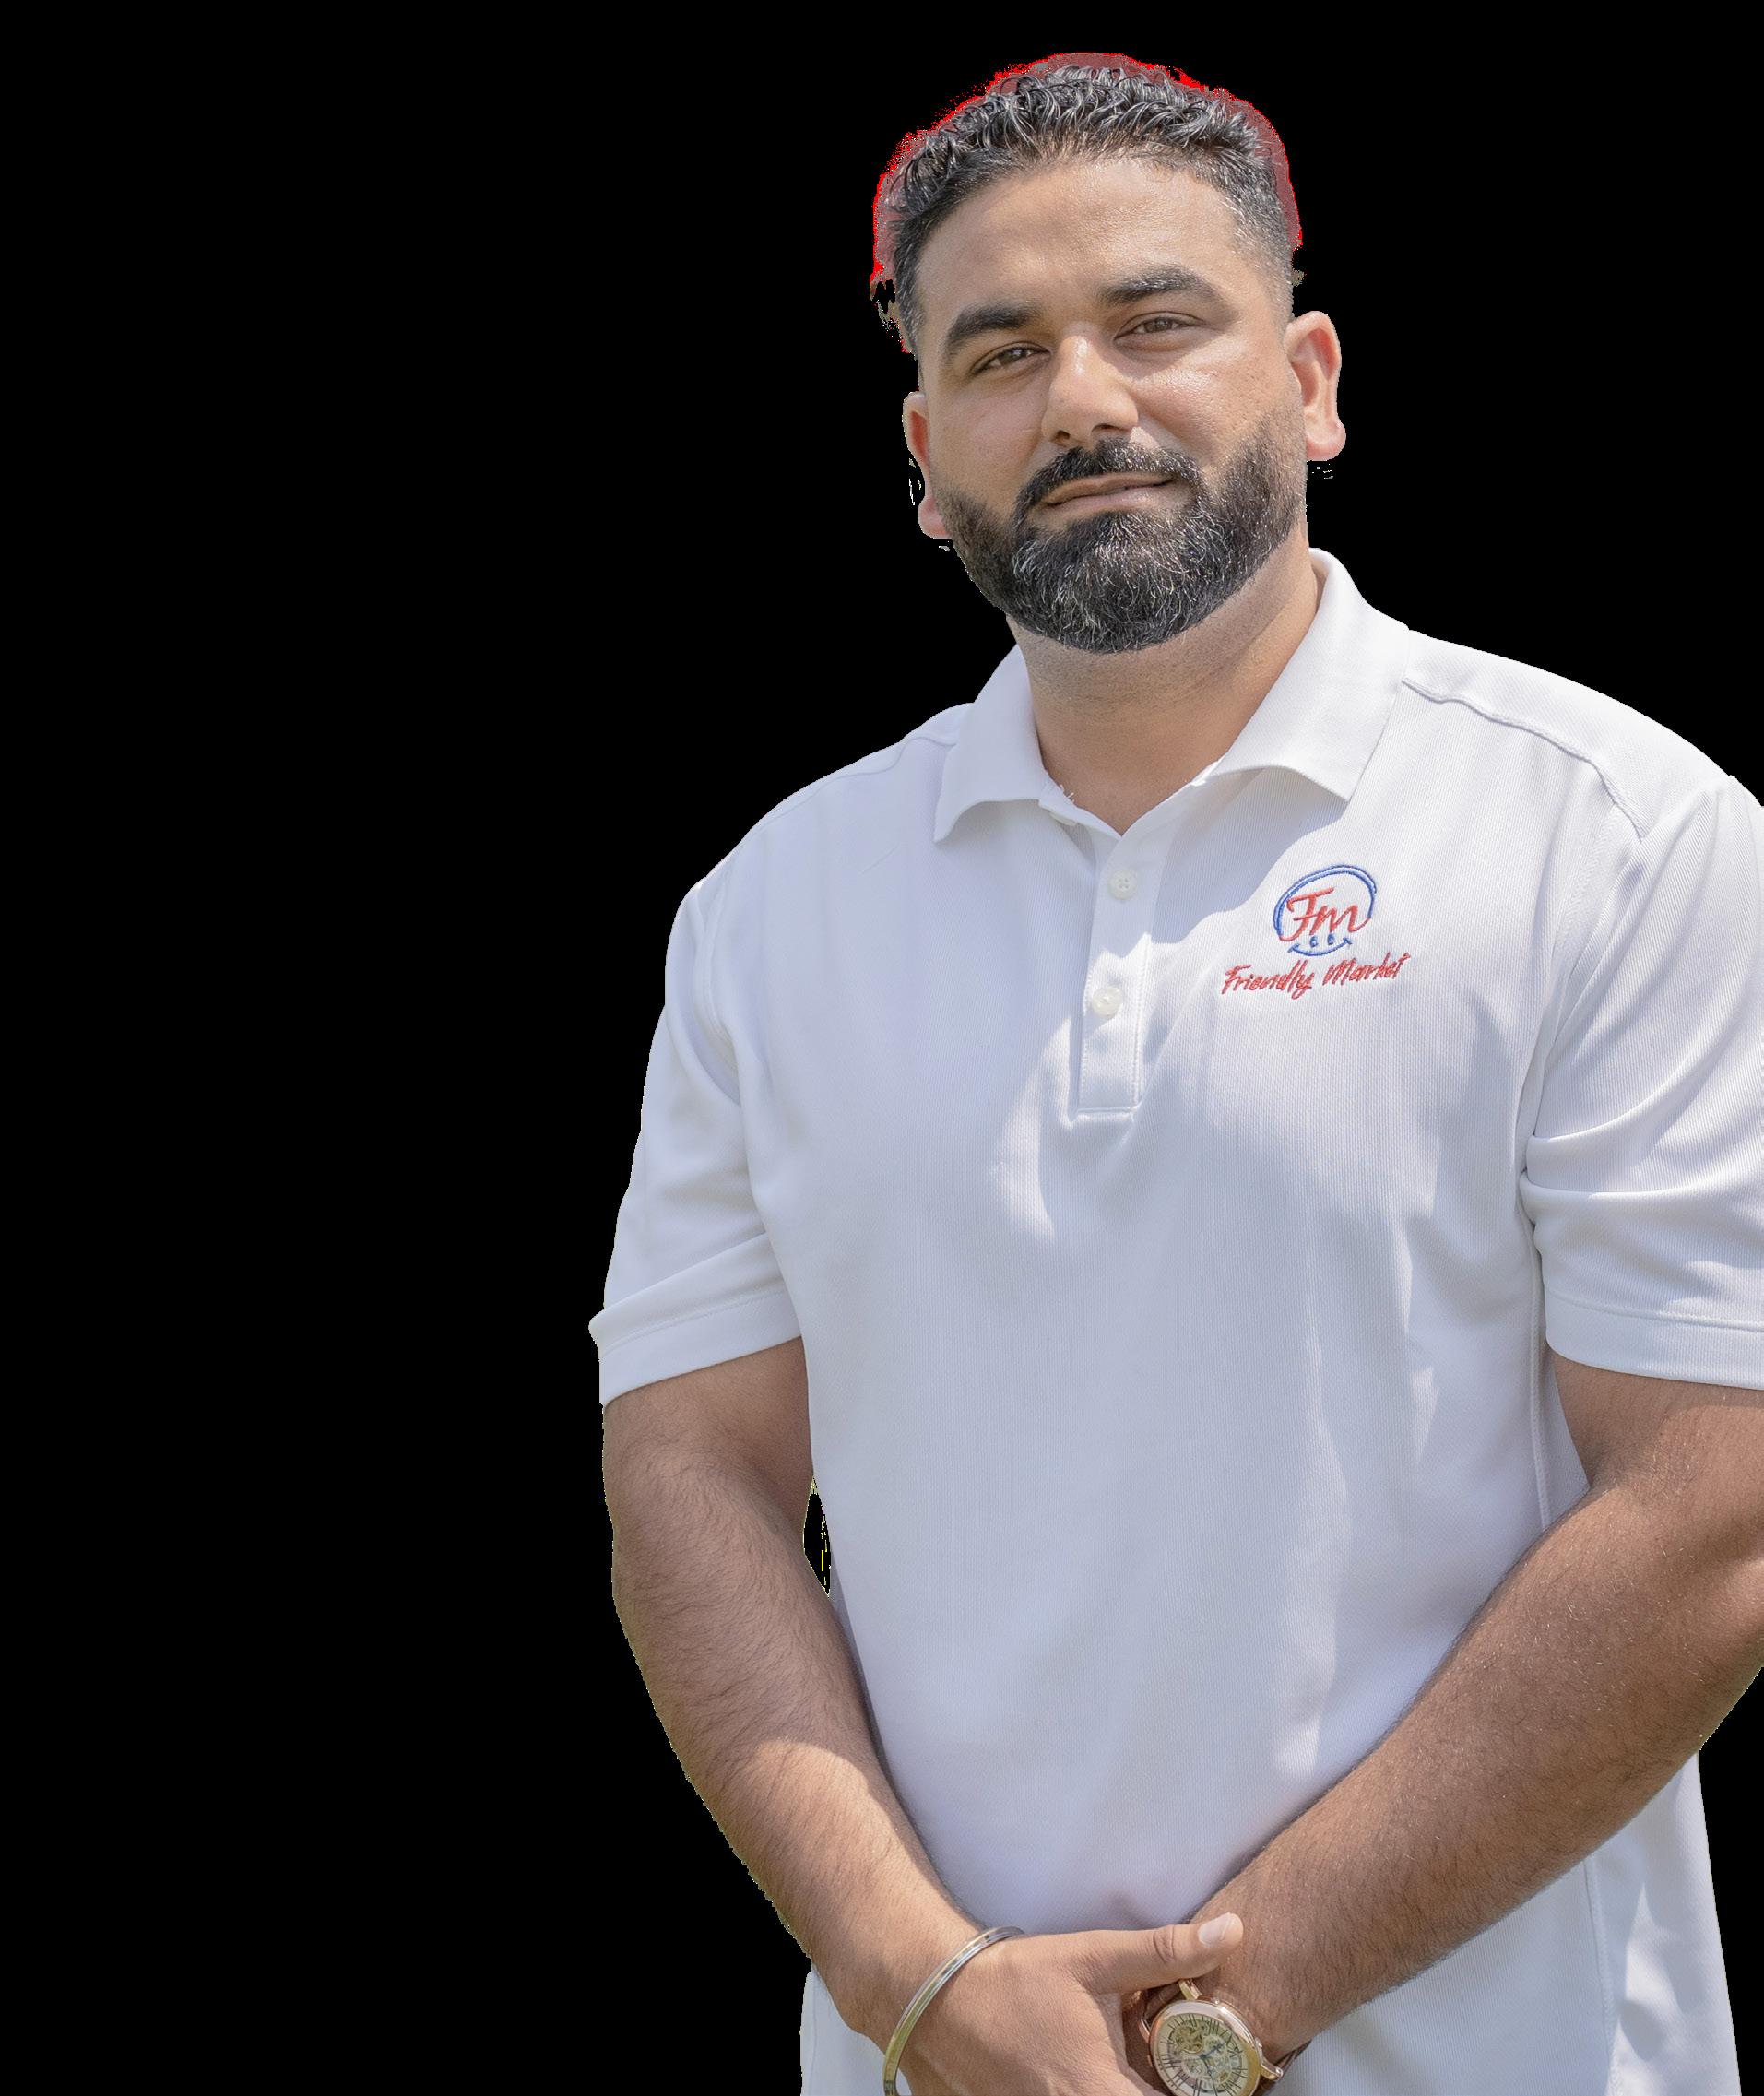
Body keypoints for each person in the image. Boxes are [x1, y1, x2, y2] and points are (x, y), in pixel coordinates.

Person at [594, 56, 1762, 2096]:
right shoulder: (771, 911)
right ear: (924, 457)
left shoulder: (1616, 834)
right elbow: (689, 1474)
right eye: (1000, 353)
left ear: (1310, 382)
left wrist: (1200, 2027)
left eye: (1154, 322)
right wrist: (922, 1985)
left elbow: (1717, 1503)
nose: (1081, 400)